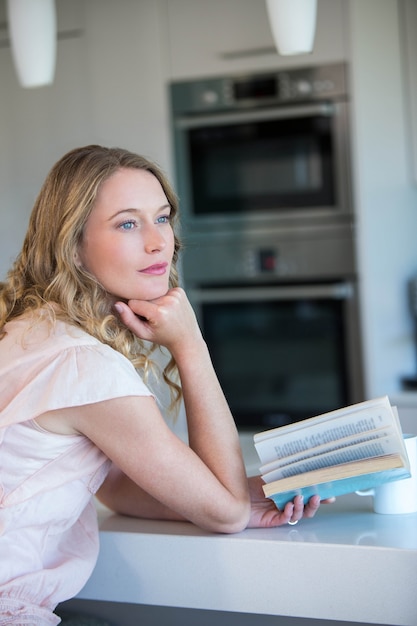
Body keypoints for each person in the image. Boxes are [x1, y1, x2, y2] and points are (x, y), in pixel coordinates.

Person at [0, 145, 326, 625]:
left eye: (163, 218)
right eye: (128, 224)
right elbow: (227, 515)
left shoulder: (25, 328)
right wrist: (191, 344)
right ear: (72, 244)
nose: (158, 243)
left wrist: (228, 494)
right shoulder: (83, 364)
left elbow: (113, 485)